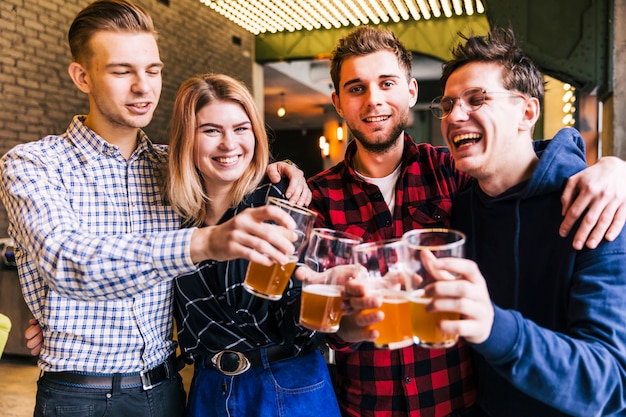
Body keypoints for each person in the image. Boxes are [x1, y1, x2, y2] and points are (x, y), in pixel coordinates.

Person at [0, 1, 309, 416]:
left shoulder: (178, 168)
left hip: (168, 390)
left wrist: (279, 170)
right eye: (122, 71)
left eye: (153, 70)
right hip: (78, 394)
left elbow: (233, 163)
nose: (143, 87)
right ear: (82, 76)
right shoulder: (34, 163)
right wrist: (204, 243)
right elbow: (66, 262)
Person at [304, 25, 626, 417]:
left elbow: (610, 382)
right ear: (338, 102)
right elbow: (307, 318)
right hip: (366, 406)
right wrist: (344, 327)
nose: (374, 100)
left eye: (387, 83)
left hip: (456, 405)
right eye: (357, 88)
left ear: (411, 92)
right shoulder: (312, 197)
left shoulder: (455, 173)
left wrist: (613, 168)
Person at [420, 27, 626, 416]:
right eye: (447, 105)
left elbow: (610, 382)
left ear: (527, 111)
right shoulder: (459, 207)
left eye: (477, 99)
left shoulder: (596, 204)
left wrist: (494, 327)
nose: (455, 116)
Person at [167, 72, 340, 417]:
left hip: (287, 385)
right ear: (187, 138)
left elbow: (298, 317)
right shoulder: (172, 214)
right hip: (207, 390)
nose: (229, 144)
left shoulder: (280, 203)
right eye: (211, 130)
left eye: (241, 128)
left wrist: (321, 299)